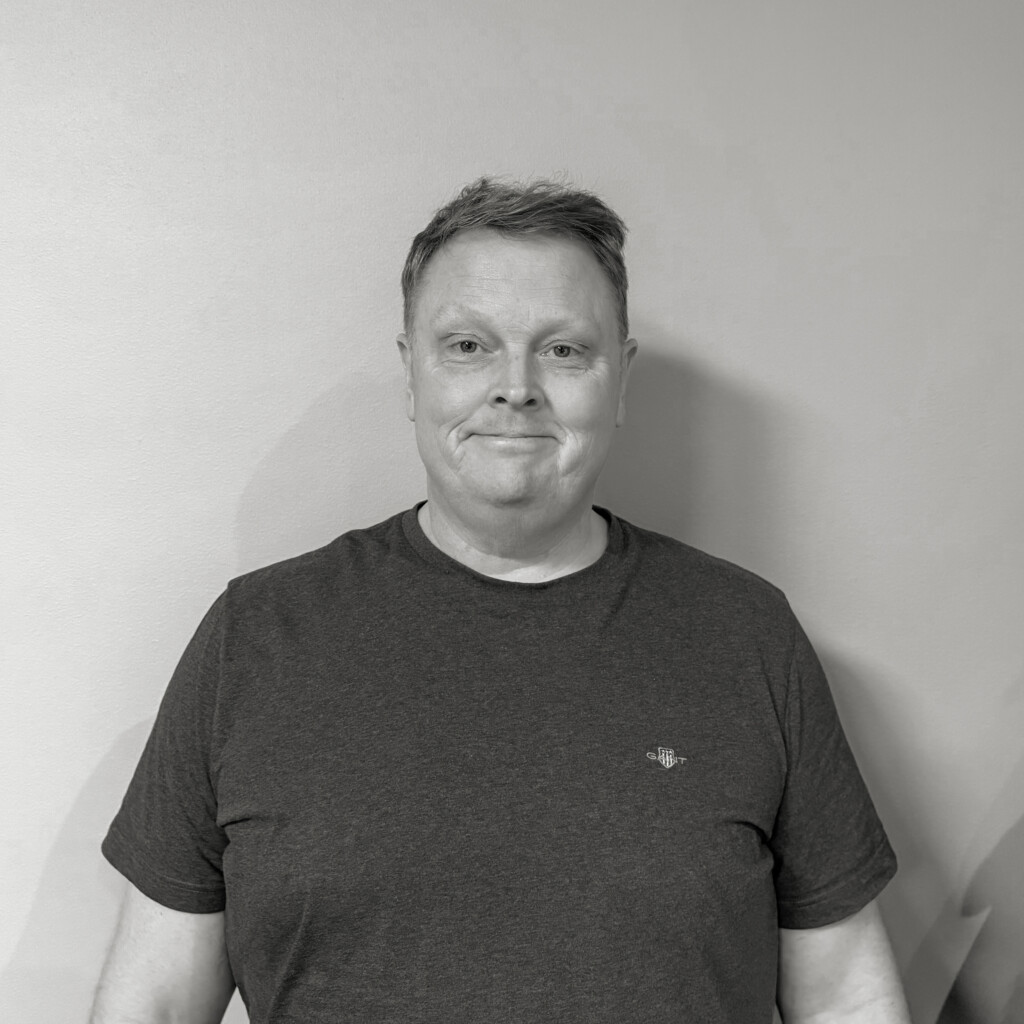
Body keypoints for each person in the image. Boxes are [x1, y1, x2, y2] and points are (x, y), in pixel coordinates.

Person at [91, 178, 911, 1023]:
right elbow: (153, 1003)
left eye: (564, 350)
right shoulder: (256, 637)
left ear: (620, 381)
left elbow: (845, 997)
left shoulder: (746, 635)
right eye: (468, 345)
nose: (515, 387)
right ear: (412, 373)